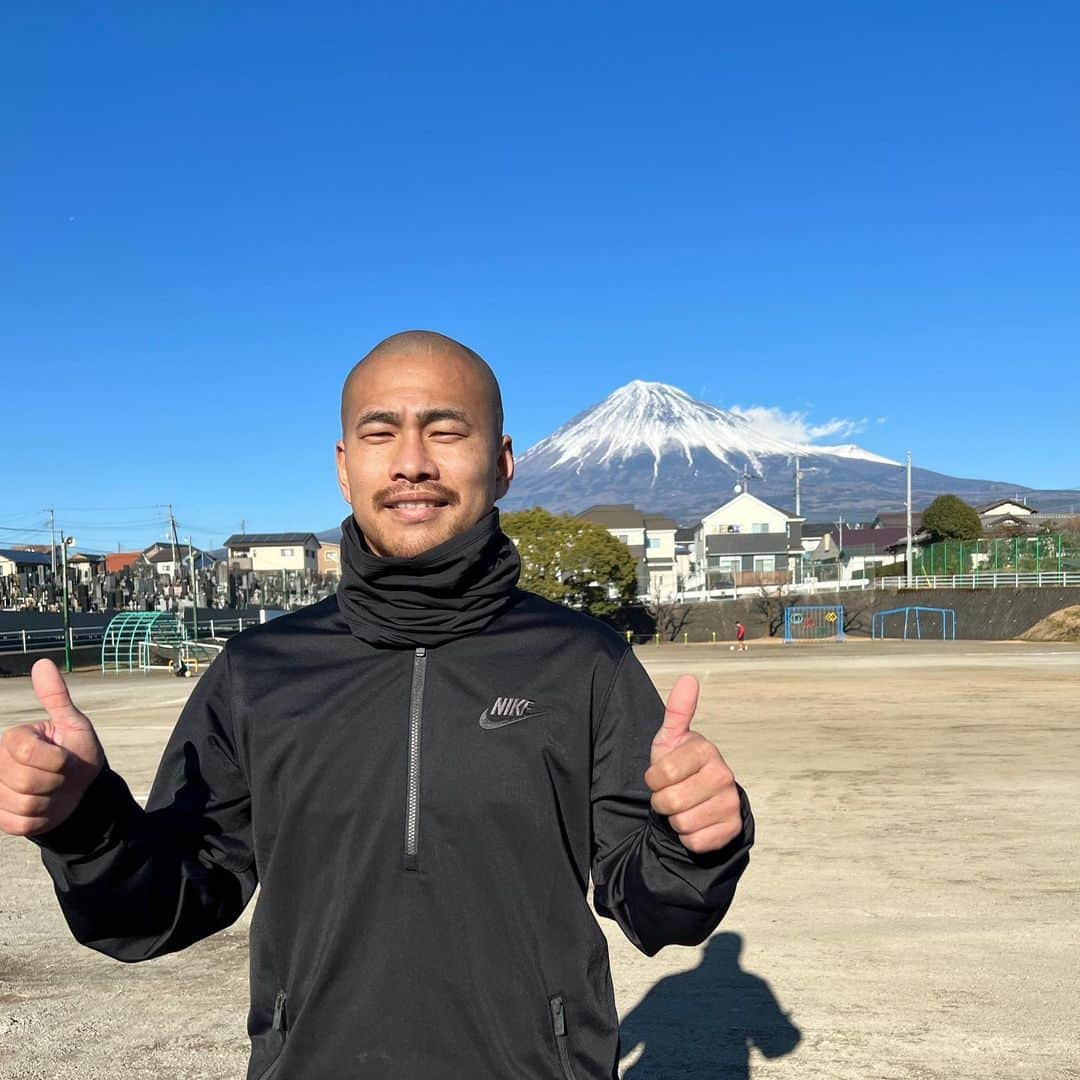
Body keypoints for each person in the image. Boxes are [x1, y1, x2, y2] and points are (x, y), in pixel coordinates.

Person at [0, 331, 754, 1080]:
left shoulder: (584, 662)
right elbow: (167, 903)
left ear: (502, 462)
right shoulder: (257, 672)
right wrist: (86, 823)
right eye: (380, 431)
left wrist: (695, 841)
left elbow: (658, 908)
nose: (412, 461)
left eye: (446, 429)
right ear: (343, 467)